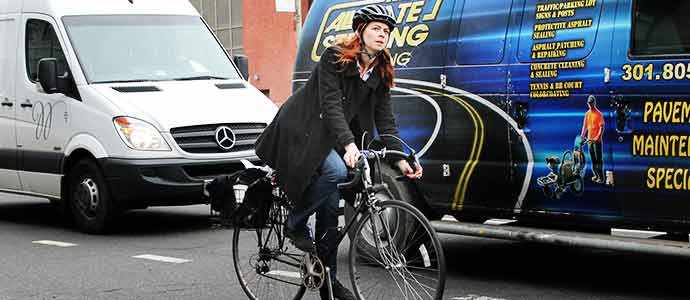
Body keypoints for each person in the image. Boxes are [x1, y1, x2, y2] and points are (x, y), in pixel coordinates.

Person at [255, 4, 422, 299]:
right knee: (335, 170)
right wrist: (349, 146)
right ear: (361, 31)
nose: (382, 35)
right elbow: (331, 106)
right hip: (303, 128)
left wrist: (399, 157)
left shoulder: (380, 70)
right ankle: (295, 223)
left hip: (330, 134)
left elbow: (386, 119)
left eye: (386, 31)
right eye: (376, 29)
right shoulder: (335, 57)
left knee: (331, 208)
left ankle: (328, 283)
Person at [580, 95, 605, 184]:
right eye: (589, 103)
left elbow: (601, 127)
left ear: (594, 102)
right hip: (589, 141)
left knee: (598, 160)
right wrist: (582, 137)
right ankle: (596, 175)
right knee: (593, 159)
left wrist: (598, 137)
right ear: (588, 103)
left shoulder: (599, 114)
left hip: (597, 142)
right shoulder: (587, 114)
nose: (590, 104)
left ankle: (601, 177)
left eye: (592, 103)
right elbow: (585, 126)